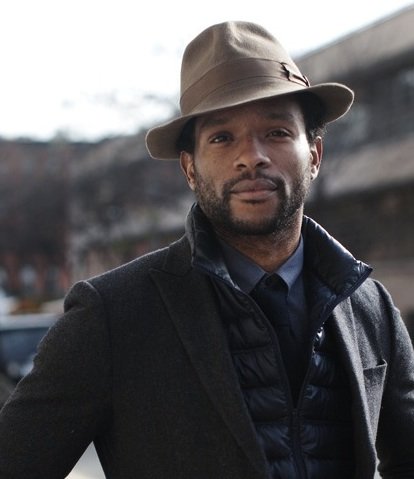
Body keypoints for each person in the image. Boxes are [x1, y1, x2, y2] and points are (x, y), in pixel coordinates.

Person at [0, 21, 413, 479]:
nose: (251, 156)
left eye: (277, 132)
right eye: (222, 138)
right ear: (190, 169)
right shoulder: (111, 315)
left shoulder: (370, 308)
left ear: (314, 155)